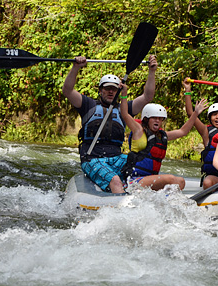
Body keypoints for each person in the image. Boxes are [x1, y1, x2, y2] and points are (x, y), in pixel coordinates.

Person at [62, 55, 158, 193]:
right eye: (107, 89)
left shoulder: (125, 109)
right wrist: (76, 67)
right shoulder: (87, 105)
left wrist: (151, 72)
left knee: (144, 169)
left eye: (114, 89)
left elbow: (147, 97)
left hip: (116, 157)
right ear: (100, 90)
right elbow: (67, 91)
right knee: (115, 181)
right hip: (92, 159)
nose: (111, 92)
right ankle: (122, 209)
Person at [120, 95, 208, 191]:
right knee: (171, 179)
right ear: (146, 119)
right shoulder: (139, 131)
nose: (157, 120)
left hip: (149, 181)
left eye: (160, 118)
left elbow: (183, 131)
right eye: (154, 118)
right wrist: (124, 94)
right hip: (133, 181)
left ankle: (166, 202)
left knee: (181, 181)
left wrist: (195, 113)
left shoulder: (162, 136)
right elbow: (125, 114)